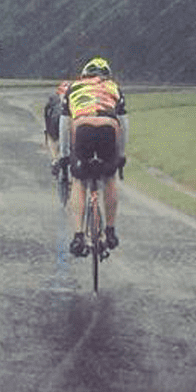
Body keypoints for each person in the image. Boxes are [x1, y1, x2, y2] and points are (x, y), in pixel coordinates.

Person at [59, 57, 128, 257]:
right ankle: (111, 231)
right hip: (108, 126)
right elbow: (124, 124)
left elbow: (64, 126)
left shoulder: (74, 88)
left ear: (84, 75)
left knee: (79, 181)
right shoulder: (113, 88)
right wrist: (121, 155)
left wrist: (64, 156)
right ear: (107, 75)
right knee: (109, 178)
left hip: (83, 127)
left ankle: (79, 235)